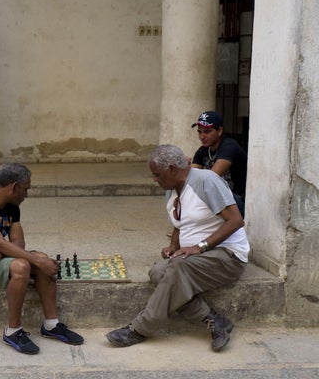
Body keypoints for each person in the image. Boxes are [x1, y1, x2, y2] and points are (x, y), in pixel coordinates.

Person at [106, 144, 249, 352]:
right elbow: (180, 225)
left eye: (157, 174)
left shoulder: (206, 181)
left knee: (177, 269)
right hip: (198, 256)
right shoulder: (171, 189)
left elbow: (235, 221)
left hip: (228, 256)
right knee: (157, 272)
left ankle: (139, 328)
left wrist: (200, 247)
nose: (155, 179)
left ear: (172, 168)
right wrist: (173, 246)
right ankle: (214, 320)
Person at [0, 162, 84, 355]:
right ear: (14, 187)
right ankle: (13, 331)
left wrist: (3, 251)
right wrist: (3, 249)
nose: (27, 194)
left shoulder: (12, 207)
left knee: (42, 259)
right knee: (23, 265)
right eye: (25, 189)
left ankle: (51, 325)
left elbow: (17, 243)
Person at [190, 111, 247, 216]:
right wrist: (182, 167)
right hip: (218, 199)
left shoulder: (229, 146)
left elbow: (211, 178)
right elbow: (189, 179)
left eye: (207, 132)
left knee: (205, 193)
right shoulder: (203, 150)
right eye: (199, 132)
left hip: (237, 201)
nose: (202, 136)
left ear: (219, 131)